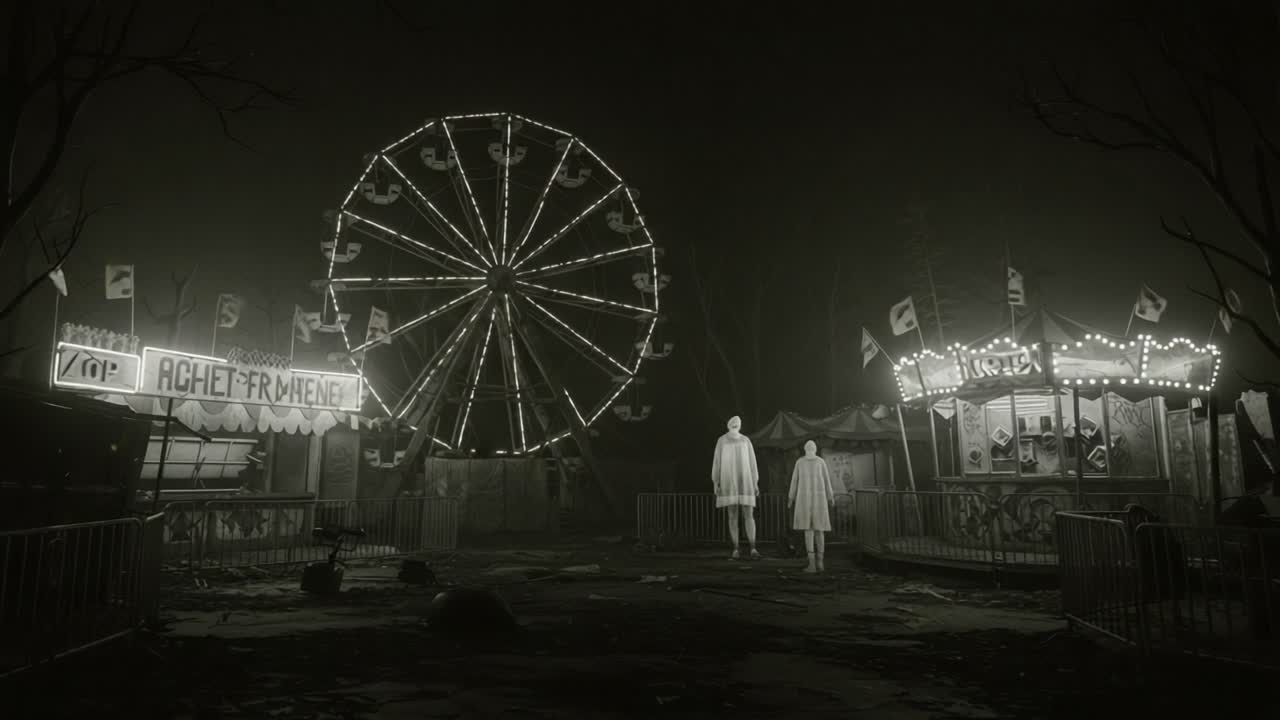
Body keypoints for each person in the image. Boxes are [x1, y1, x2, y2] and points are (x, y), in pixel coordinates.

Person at [712, 415, 760, 560]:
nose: (735, 425)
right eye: (733, 423)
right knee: (732, 516)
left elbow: (752, 462)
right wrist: (716, 482)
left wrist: (755, 482)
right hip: (729, 482)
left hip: (745, 482)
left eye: (737, 423)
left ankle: (753, 547)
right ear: (728, 425)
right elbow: (717, 462)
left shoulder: (746, 440)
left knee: (748, 515)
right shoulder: (722, 441)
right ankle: (736, 548)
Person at [788, 440, 835, 573]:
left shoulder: (800, 462)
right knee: (819, 530)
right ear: (815, 449)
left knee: (808, 531)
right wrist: (830, 496)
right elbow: (827, 481)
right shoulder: (820, 462)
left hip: (804, 500)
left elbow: (794, 481)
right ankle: (820, 563)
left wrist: (791, 498)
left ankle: (812, 564)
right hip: (819, 500)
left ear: (805, 449)